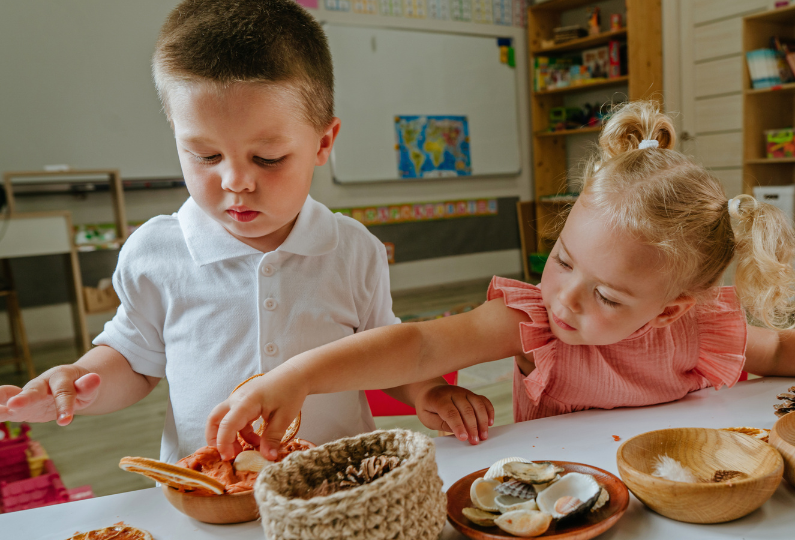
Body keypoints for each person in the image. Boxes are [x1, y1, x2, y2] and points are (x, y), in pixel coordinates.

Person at [207, 101, 795, 462]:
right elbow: (418, 345)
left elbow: (779, 351)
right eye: (562, 259)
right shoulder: (531, 321)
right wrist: (298, 375)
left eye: (609, 297)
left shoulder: (701, 325)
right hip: (557, 495)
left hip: (670, 484)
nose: (565, 298)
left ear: (673, 308)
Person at [0, 0, 493, 464]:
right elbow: (133, 361)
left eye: (268, 158)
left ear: (323, 142)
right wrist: (78, 383)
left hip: (337, 486)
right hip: (212, 490)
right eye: (205, 156)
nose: (235, 180)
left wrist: (426, 390)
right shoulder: (156, 252)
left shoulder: (352, 249)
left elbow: (384, 351)